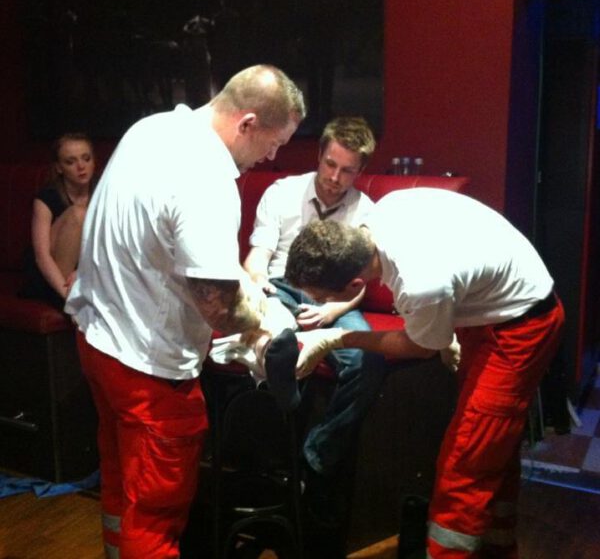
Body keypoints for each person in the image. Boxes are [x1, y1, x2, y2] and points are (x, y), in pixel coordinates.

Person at [65, 64, 305, 559]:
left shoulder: (152, 129)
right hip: (149, 370)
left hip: (97, 340)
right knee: (155, 517)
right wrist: (269, 318)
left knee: (121, 489)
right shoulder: (207, 178)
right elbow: (219, 308)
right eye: (274, 142)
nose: (272, 156)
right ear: (248, 123)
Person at [284, 188, 565, 559]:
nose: (319, 305)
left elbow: (420, 347)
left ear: (355, 286)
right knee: (493, 443)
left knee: (465, 461)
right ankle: (498, 546)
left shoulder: (419, 283)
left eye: (322, 298)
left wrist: (337, 337)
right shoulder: (386, 209)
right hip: (489, 305)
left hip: (522, 326)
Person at [242, 116, 386, 534]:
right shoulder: (282, 192)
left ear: (360, 171)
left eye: (347, 171)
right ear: (319, 155)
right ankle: (269, 453)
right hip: (283, 284)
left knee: (367, 361)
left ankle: (315, 457)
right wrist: (256, 286)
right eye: (330, 164)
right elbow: (258, 256)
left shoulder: (366, 211)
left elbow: (361, 281)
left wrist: (332, 313)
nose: (335, 178)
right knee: (277, 331)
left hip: (336, 297)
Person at [20, 132, 96, 310]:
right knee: (78, 214)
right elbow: (41, 256)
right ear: (59, 168)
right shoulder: (47, 197)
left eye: (86, 158)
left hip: (85, 272)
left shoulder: (103, 192)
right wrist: (67, 296)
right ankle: (66, 301)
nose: (81, 166)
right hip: (48, 276)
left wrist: (83, 272)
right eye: (70, 162)